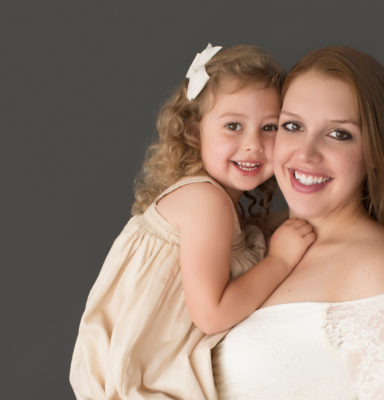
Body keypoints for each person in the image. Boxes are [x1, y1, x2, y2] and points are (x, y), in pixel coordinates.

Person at [69, 44, 315, 399]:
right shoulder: (206, 202)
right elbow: (213, 315)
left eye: (270, 128)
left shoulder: (214, 206)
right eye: (233, 125)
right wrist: (280, 260)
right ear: (194, 130)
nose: (253, 145)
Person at [213, 45, 384, 400]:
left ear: (374, 152)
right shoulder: (252, 241)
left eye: (339, 134)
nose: (306, 153)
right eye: (293, 126)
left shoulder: (378, 268)